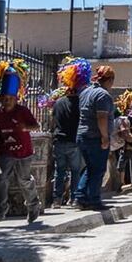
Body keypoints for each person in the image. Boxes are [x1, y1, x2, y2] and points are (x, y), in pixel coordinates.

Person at [0, 61, 42, 223]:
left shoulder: (23, 111)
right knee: (2, 178)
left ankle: (33, 206)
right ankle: (1, 210)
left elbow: (37, 126)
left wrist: (25, 128)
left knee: (24, 180)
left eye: (10, 98)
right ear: (0, 99)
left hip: (24, 152)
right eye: (4, 99)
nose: (7, 101)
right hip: (6, 152)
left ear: (16, 99)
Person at [74, 66, 117, 211]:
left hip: (82, 135)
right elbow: (102, 117)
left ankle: (81, 197)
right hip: (95, 137)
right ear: (110, 79)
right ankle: (94, 200)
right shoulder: (102, 95)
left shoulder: (85, 92)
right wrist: (105, 137)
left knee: (91, 168)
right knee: (98, 170)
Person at [50, 58, 91, 207]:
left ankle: (57, 200)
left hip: (59, 141)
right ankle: (74, 198)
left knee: (59, 171)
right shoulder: (81, 102)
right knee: (75, 172)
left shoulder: (58, 103)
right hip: (74, 142)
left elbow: (53, 120)